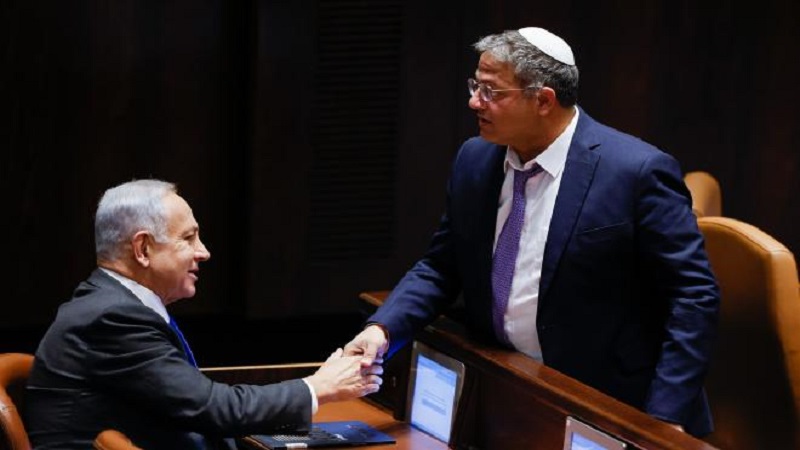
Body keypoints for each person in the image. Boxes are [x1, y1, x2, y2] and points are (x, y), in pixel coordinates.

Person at [343, 27, 720, 437]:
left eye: (491, 91)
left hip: (610, 406)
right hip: (509, 387)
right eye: (475, 86)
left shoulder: (635, 172)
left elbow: (693, 295)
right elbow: (442, 265)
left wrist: (662, 420)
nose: (474, 101)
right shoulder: (476, 158)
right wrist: (383, 329)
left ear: (543, 100)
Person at [25, 179, 383, 449]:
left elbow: (197, 401)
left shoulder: (114, 305)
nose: (204, 252)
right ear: (143, 248)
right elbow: (211, 408)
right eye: (189, 238)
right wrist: (318, 387)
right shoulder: (111, 318)